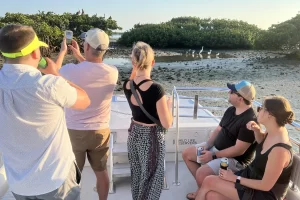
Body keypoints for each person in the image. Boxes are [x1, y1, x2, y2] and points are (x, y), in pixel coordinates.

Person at [0, 24, 90, 199]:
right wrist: (56, 73)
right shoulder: (49, 85)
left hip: (19, 183)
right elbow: (84, 100)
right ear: (35, 53)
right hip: (55, 180)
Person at [55, 28, 118, 200]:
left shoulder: (70, 71)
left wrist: (63, 52)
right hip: (100, 132)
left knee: (73, 176)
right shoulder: (112, 72)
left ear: (87, 46)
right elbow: (93, 68)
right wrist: (79, 55)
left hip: (75, 132)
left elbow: (53, 74)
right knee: (102, 173)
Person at [197, 96, 295, 200]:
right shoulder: (274, 131)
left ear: (270, 114)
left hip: (264, 194)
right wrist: (257, 131)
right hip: (253, 176)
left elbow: (266, 186)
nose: (258, 110)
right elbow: (263, 143)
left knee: (209, 181)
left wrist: (235, 178)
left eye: (261, 108)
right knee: (211, 196)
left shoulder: (279, 151)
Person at [182, 80, 257, 200]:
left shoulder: (249, 120)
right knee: (187, 154)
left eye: (232, 91)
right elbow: (218, 130)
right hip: (216, 150)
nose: (228, 92)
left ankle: (204, 193)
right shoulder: (231, 110)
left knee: (202, 173)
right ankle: (202, 189)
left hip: (235, 160)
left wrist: (212, 155)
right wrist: (208, 145)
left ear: (240, 98)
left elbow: (238, 150)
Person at [123, 41, 173, 200]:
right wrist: (169, 106)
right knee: (151, 179)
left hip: (134, 134)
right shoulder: (156, 89)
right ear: (153, 62)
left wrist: (135, 65)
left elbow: (133, 79)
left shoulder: (127, 85)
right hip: (151, 137)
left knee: (137, 175)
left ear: (133, 62)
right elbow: (167, 123)